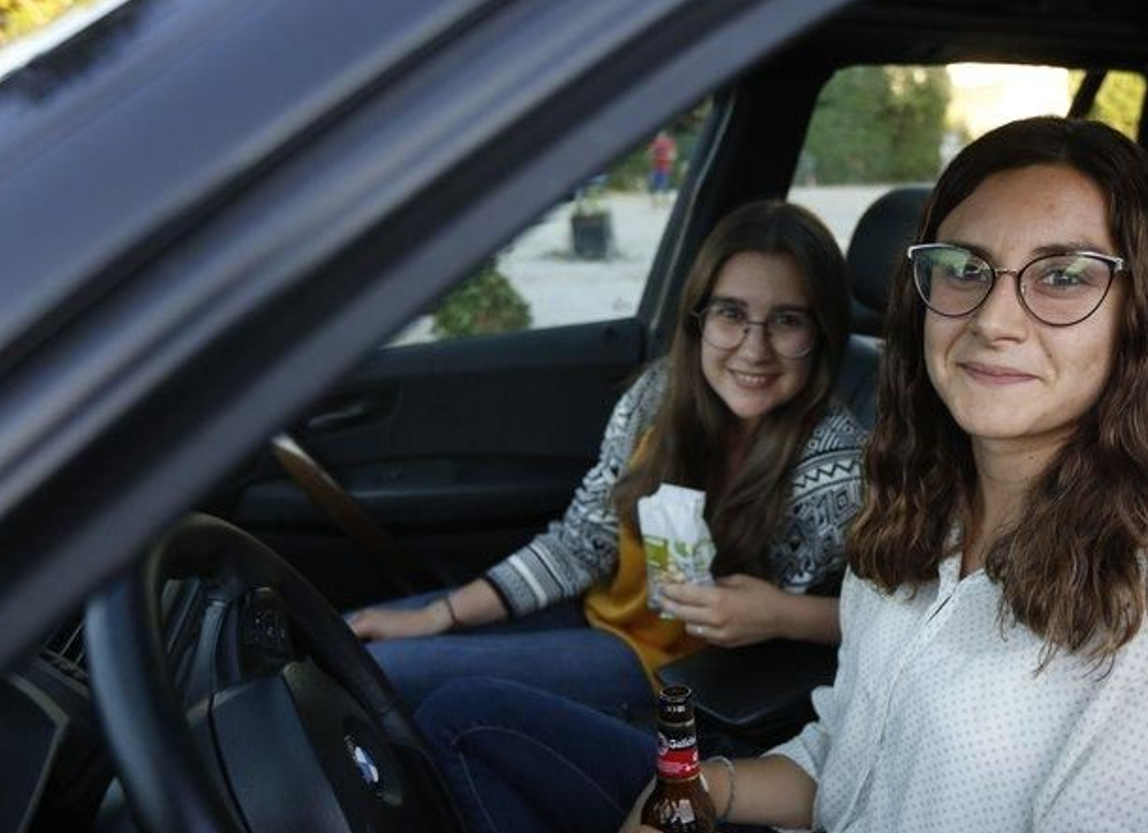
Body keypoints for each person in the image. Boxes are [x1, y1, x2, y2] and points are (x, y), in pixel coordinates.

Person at [414, 116, 1148, 833]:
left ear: (1141, 314)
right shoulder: (931, 502)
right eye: (964, 267)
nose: (995, 317)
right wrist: (708, 786)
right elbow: (849, 752)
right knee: (475, 727)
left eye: (1064, 276)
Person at [348, 200, 866, 718]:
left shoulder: (836, 464)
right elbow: (582, 542)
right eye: (731, 313)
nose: (754, 349)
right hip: (591, 613)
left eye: (787, 321)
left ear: (822, 334)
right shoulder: (658, 396)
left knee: (384, 675)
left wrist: (782, 616)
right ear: (698, 318)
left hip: (679, 673)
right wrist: (439, 615)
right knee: (348, 644)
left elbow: (903, 621)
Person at [648, 130, 677, 206]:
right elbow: (673, 156)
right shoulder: (666, 142)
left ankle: (660, 201)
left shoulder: (662, 143)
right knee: (659, 184)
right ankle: (658, 201)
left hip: (662, 167)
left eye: (661, 135)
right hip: (661, 167)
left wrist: (656, 156)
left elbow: (650, 154)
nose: (660, 137)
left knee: (661, 184)